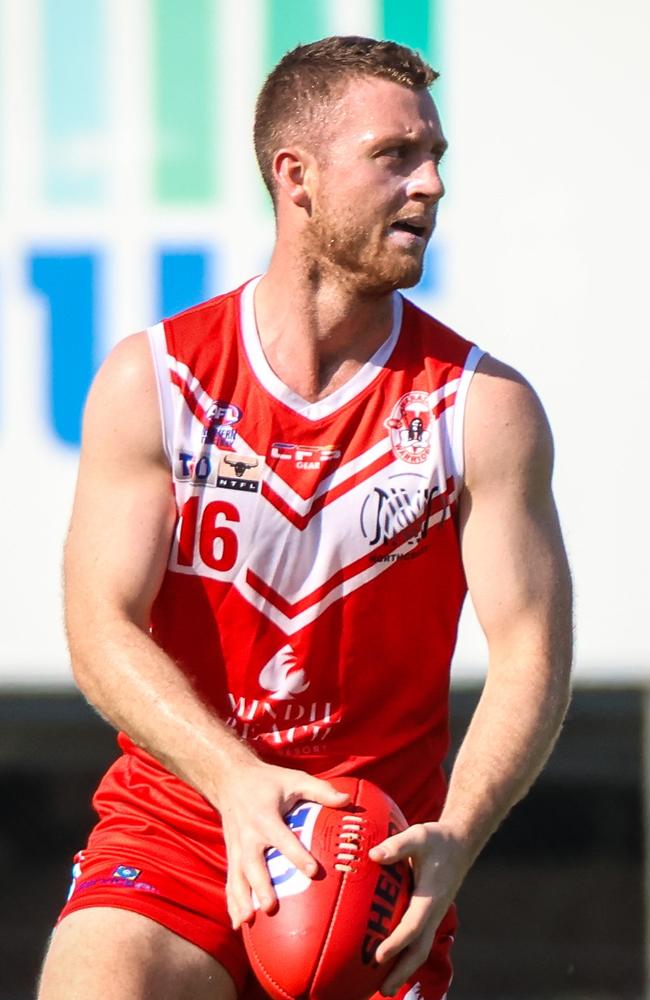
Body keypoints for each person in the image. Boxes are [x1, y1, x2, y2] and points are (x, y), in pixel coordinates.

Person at [38, 36, 572, 1000]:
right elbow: (97, 628)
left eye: (437, 156)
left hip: (379, 860)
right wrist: (237, 782)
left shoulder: (484, 407)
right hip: (184, 824)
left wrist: (457, 832)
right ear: (297, 177)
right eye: (396, 156)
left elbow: (532, 651)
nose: (432, 185)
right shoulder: (152, 380)